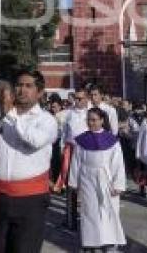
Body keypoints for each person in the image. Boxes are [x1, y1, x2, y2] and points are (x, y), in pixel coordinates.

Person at [0, 69, 58, 253]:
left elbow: (35, 140)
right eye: (19, 85)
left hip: (30, 200)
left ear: (39, 92)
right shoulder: (2, 117)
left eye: (28, 86)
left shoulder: (47, 120)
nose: (22, 90)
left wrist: (11, 115)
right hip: (0, 195)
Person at [68, 107, 126, 252]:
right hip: (87, 179)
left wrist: (118, 184)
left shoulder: (111, 140)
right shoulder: (82, 140)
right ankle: (90, 244)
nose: (91, 123)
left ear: (101, 120)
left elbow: (118, 164)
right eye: (89, 120)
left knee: (108, 212)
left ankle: (110, 244)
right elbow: (76, 161)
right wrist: (74, 182)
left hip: (106, 180)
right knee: (89, 212)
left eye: (94, 120)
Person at [54, 88, 90, 227]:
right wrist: (62, 148)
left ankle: (87, 220)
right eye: (76, 98)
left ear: (87, 99)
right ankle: (70, 219)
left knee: (87, 185)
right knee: (70, 185)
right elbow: (62, 130)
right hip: (71, 150)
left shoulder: (92, 113)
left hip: (87, 151)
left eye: (80, 98)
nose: (77, 101)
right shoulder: (69, 113)